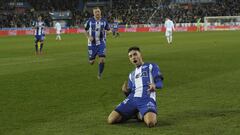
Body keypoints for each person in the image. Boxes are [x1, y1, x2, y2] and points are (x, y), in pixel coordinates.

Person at [107, 46, 164, 128]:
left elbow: (160, 82)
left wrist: (155, 85)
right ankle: (135, 113)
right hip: (132, 99)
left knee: (151, 123)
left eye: (135, 54)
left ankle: (139, 114)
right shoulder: (131, 74)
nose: (133, 57)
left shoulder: (151, 66)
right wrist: (125, 91)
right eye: (130, 56)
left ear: (140, 55)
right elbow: (129, 93)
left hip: (146, 99)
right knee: (111, 120)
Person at [84, 7, 111, 79]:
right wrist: (89, 37)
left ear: (100, 12)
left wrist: (107, 32)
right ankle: (94, 56)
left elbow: (109, 30)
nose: (97, 13)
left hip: (101, 42)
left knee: (102, 59)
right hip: (91, 44)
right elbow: (85, 31)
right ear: (93, 13)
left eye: (98, 11)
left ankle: (99, 74)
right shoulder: (89, 21)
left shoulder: (104, 21)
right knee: (91, 62)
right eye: (96, 12)